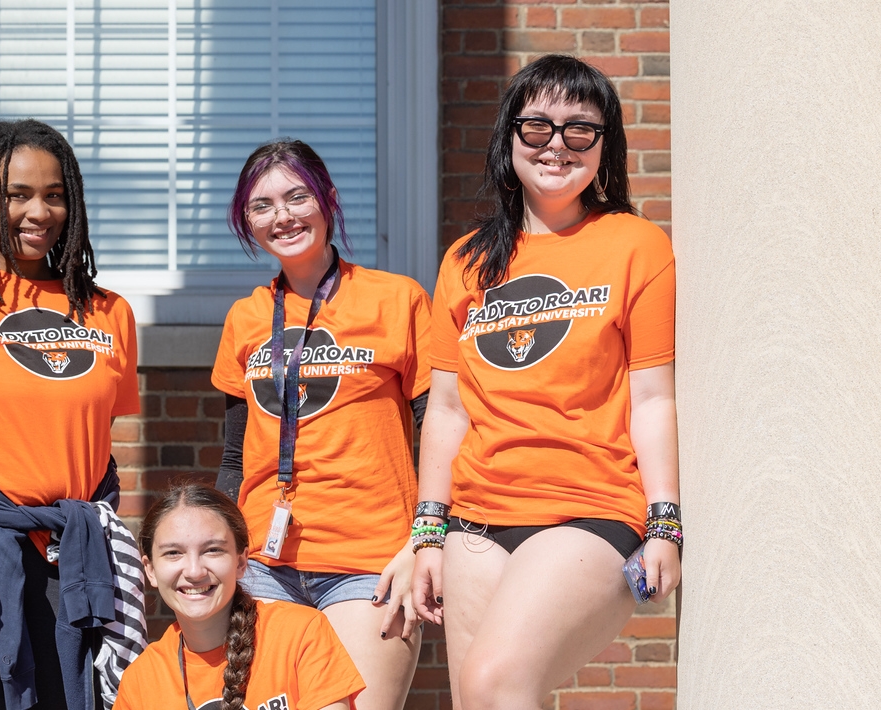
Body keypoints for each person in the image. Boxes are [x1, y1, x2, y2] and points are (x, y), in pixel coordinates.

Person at [408, 54, 682, 709]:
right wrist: (427, 532)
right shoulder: (466, 260)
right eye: (536, 128)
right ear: (509, 140)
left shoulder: (635, 246)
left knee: (494, 680)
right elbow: (446, 411)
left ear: (604, 146)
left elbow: (653, 396)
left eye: (579, 130)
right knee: (480, 700)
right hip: (475, 520)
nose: (556, 145)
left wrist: (665, 523)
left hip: (589, 511)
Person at [0, 118, 144, 710]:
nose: (39, 211)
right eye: (17, 195)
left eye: (55, 195)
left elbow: (88, 436)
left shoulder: (109, 312)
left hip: (76, 551)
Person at [210, 139, 429, 710]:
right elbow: (235, 460)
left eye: (297, 196)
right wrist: (220, 551)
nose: (281, 216)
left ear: (328, 200)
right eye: (261, 206)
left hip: (372, 563)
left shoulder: (397, 300)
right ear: (247, 222)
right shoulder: (245, 317)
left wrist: (425, 543)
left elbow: (439, 434)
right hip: (263, 566)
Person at [115, 484, 364, 710]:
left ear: (241, 562)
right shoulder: (140, 681)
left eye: (212, 550)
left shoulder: (302, 633)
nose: (194, 571)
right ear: (150, 570)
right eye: (173, 553)